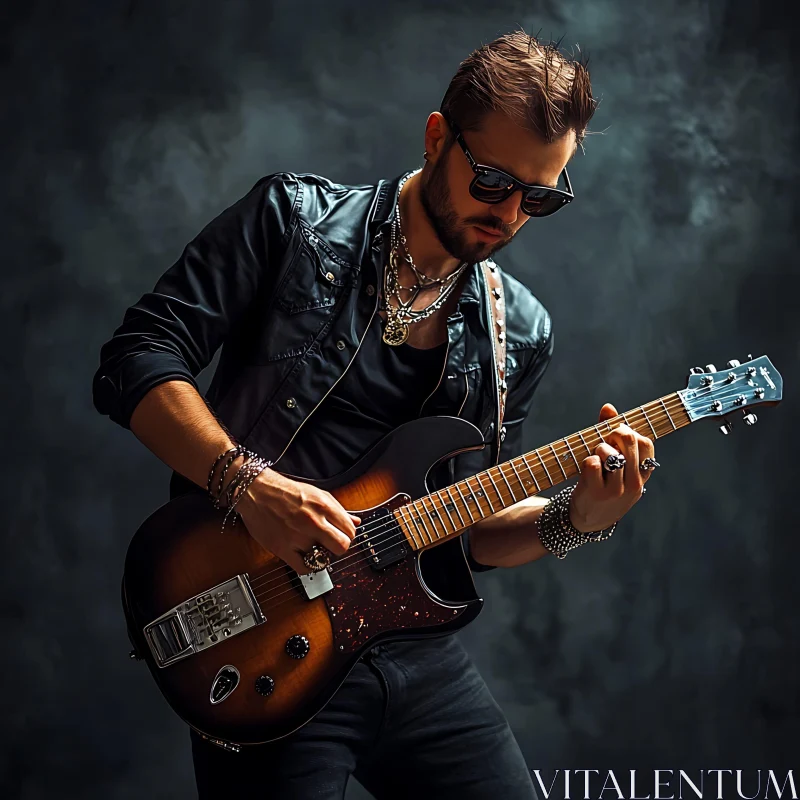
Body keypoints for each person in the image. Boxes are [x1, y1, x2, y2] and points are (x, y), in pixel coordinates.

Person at [93, 29, 658, 800]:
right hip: (267, 635)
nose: (510, 215)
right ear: (436, 138)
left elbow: (464, 532)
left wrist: (579, 517)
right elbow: (137, 356)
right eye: (492, 181)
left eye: (541, 197)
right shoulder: (290, 221)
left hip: (410, 651)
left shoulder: (520, 330)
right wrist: (248, 486)